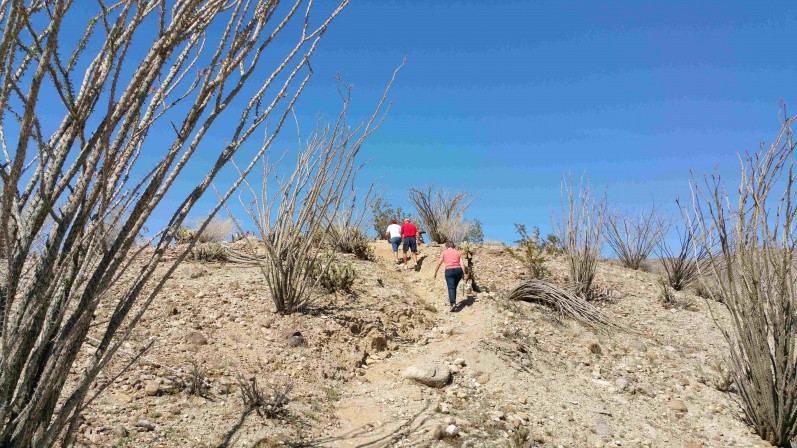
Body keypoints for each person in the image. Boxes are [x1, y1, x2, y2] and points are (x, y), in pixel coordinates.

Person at [433, 241, 468, 311]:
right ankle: (453, 301)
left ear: (446, 246)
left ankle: (452, 303)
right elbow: (462, 264)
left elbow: (439, 263)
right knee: (454, 286)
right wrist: (464, 273)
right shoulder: (458, 252)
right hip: (458, 270)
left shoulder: (444, 252)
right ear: (453, 246)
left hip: (449, 270)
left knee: (451, 287)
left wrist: (435, 272)